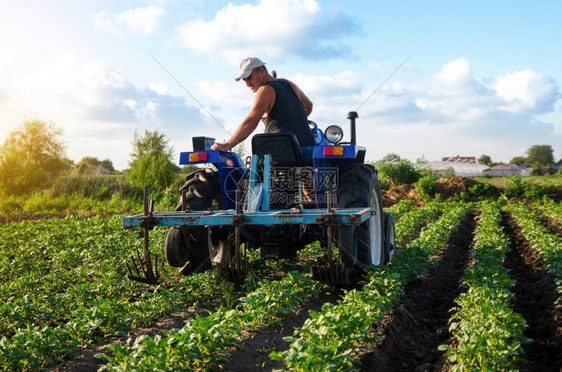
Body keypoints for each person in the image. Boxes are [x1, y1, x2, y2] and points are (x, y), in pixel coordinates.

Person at [211, 57, 316, 161]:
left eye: (249, 78)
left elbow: (250, 123)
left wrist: (227, 145)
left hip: (285, 153)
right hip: (310, 150)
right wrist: (296, 121)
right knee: (305, 176)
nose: (247, 84)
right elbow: (308, 105)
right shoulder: (289, 84)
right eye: (244, 80)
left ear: (261, 71)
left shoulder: (265, 90)